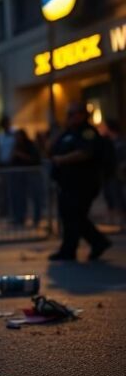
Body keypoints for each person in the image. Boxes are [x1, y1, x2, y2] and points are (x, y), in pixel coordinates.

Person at [48, 102, 111, 261]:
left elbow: (85, 152)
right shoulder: (68, 132)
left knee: (75, 216)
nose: (69, 117)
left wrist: (62, 159)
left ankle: (74, 248)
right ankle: (95, 243)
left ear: (82, 115)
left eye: (72, 114)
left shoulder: (87, 132)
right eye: (68, 114)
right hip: (67, 183)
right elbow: (51, 148)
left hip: (83, 183)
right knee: (71, 216)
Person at [10, 129, 43, 227]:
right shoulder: (16, 146)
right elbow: (12, 160)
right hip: (20, 176)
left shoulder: (30, 145)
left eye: (18, 136)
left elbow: (35, 159)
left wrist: (21, 155)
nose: (17, 138)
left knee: (35, 197)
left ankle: (37, 219)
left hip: (32, 175)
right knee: (19, 197)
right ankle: (20, 218)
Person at [101, 118, 126, 227]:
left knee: (118, 197)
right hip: (109, 174)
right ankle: (117, 221)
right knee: (111, 196)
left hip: (118, 175)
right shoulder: (107, 142)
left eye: (103, 126)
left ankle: (122, 221)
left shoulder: (120, 142)